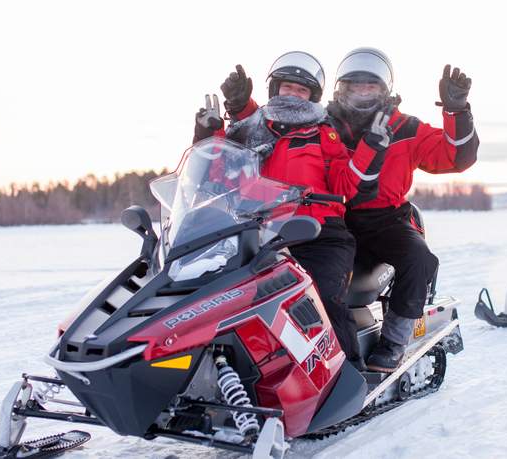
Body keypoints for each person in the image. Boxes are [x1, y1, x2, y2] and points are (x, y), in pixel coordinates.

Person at [193, 51, 365, 369]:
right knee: (217, 298)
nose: (294, 95)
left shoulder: (322, 132)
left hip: (319, 234)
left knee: (321, 298)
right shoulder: (251, 130)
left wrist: (368, 151)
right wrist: (208, 134)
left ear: (313, 97)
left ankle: (349, 373)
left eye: (302, 91)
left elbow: (344, 185)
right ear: (275, 90)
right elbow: (214, 175)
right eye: (288, 88)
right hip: (258, 234)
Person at [323, 48, 479, 372]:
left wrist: (457, 111)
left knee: (418, 258)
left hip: (386, 220)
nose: (362, 93)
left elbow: (457, 157)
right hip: (334, 216)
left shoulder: (405, 128)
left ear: (385, 90)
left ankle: (394, 342)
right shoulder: (325, 126)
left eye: (371, 86)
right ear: (341, 88)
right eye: (355, 86)